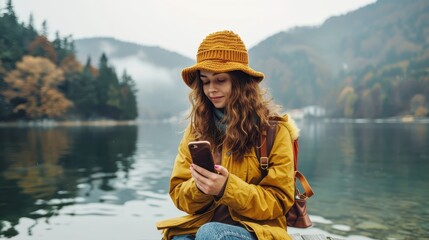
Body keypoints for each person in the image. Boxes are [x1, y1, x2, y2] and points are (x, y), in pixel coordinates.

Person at [156, 30, 298, 240]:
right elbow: (178, 194)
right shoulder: (196, 131)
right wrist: (201, 187)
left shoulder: (274, 131)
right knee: (178, 237)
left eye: (220, 80)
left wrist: (226, 188)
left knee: (212, 233)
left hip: (259, 232)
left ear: (240, 82)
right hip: (206, 227)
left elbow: (279, 201)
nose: (211, 89)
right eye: (205, 81)